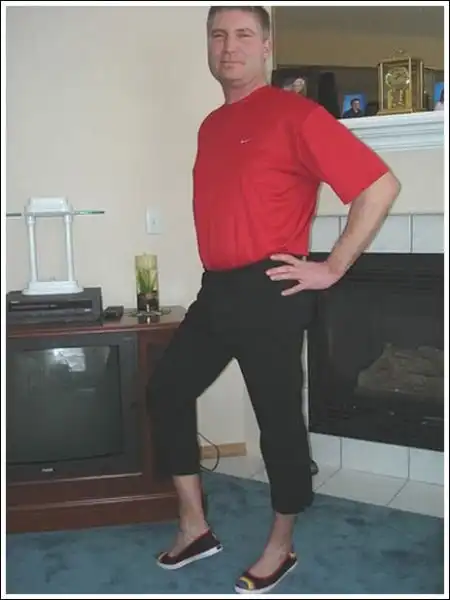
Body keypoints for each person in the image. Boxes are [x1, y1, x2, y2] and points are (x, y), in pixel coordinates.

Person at [147, 5, 401, 594]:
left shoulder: (297, 114)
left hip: (272, 287)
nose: (228, 46)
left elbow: (380, 186)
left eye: (243, 35)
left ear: (266, 46)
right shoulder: (212, 125)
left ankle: (281, 544)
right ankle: (194, 525)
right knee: (166, 390)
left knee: (278, 421)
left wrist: (332, 266)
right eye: (218, 35)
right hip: (218, 289)